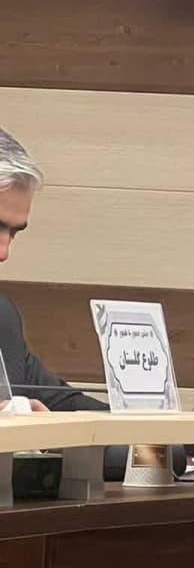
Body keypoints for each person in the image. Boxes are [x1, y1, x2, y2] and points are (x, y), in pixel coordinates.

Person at [0, 129, 106, 411]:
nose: (4, 252)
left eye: (13, 233)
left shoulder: (2, 318)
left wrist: (161, 427)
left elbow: (63, 404)